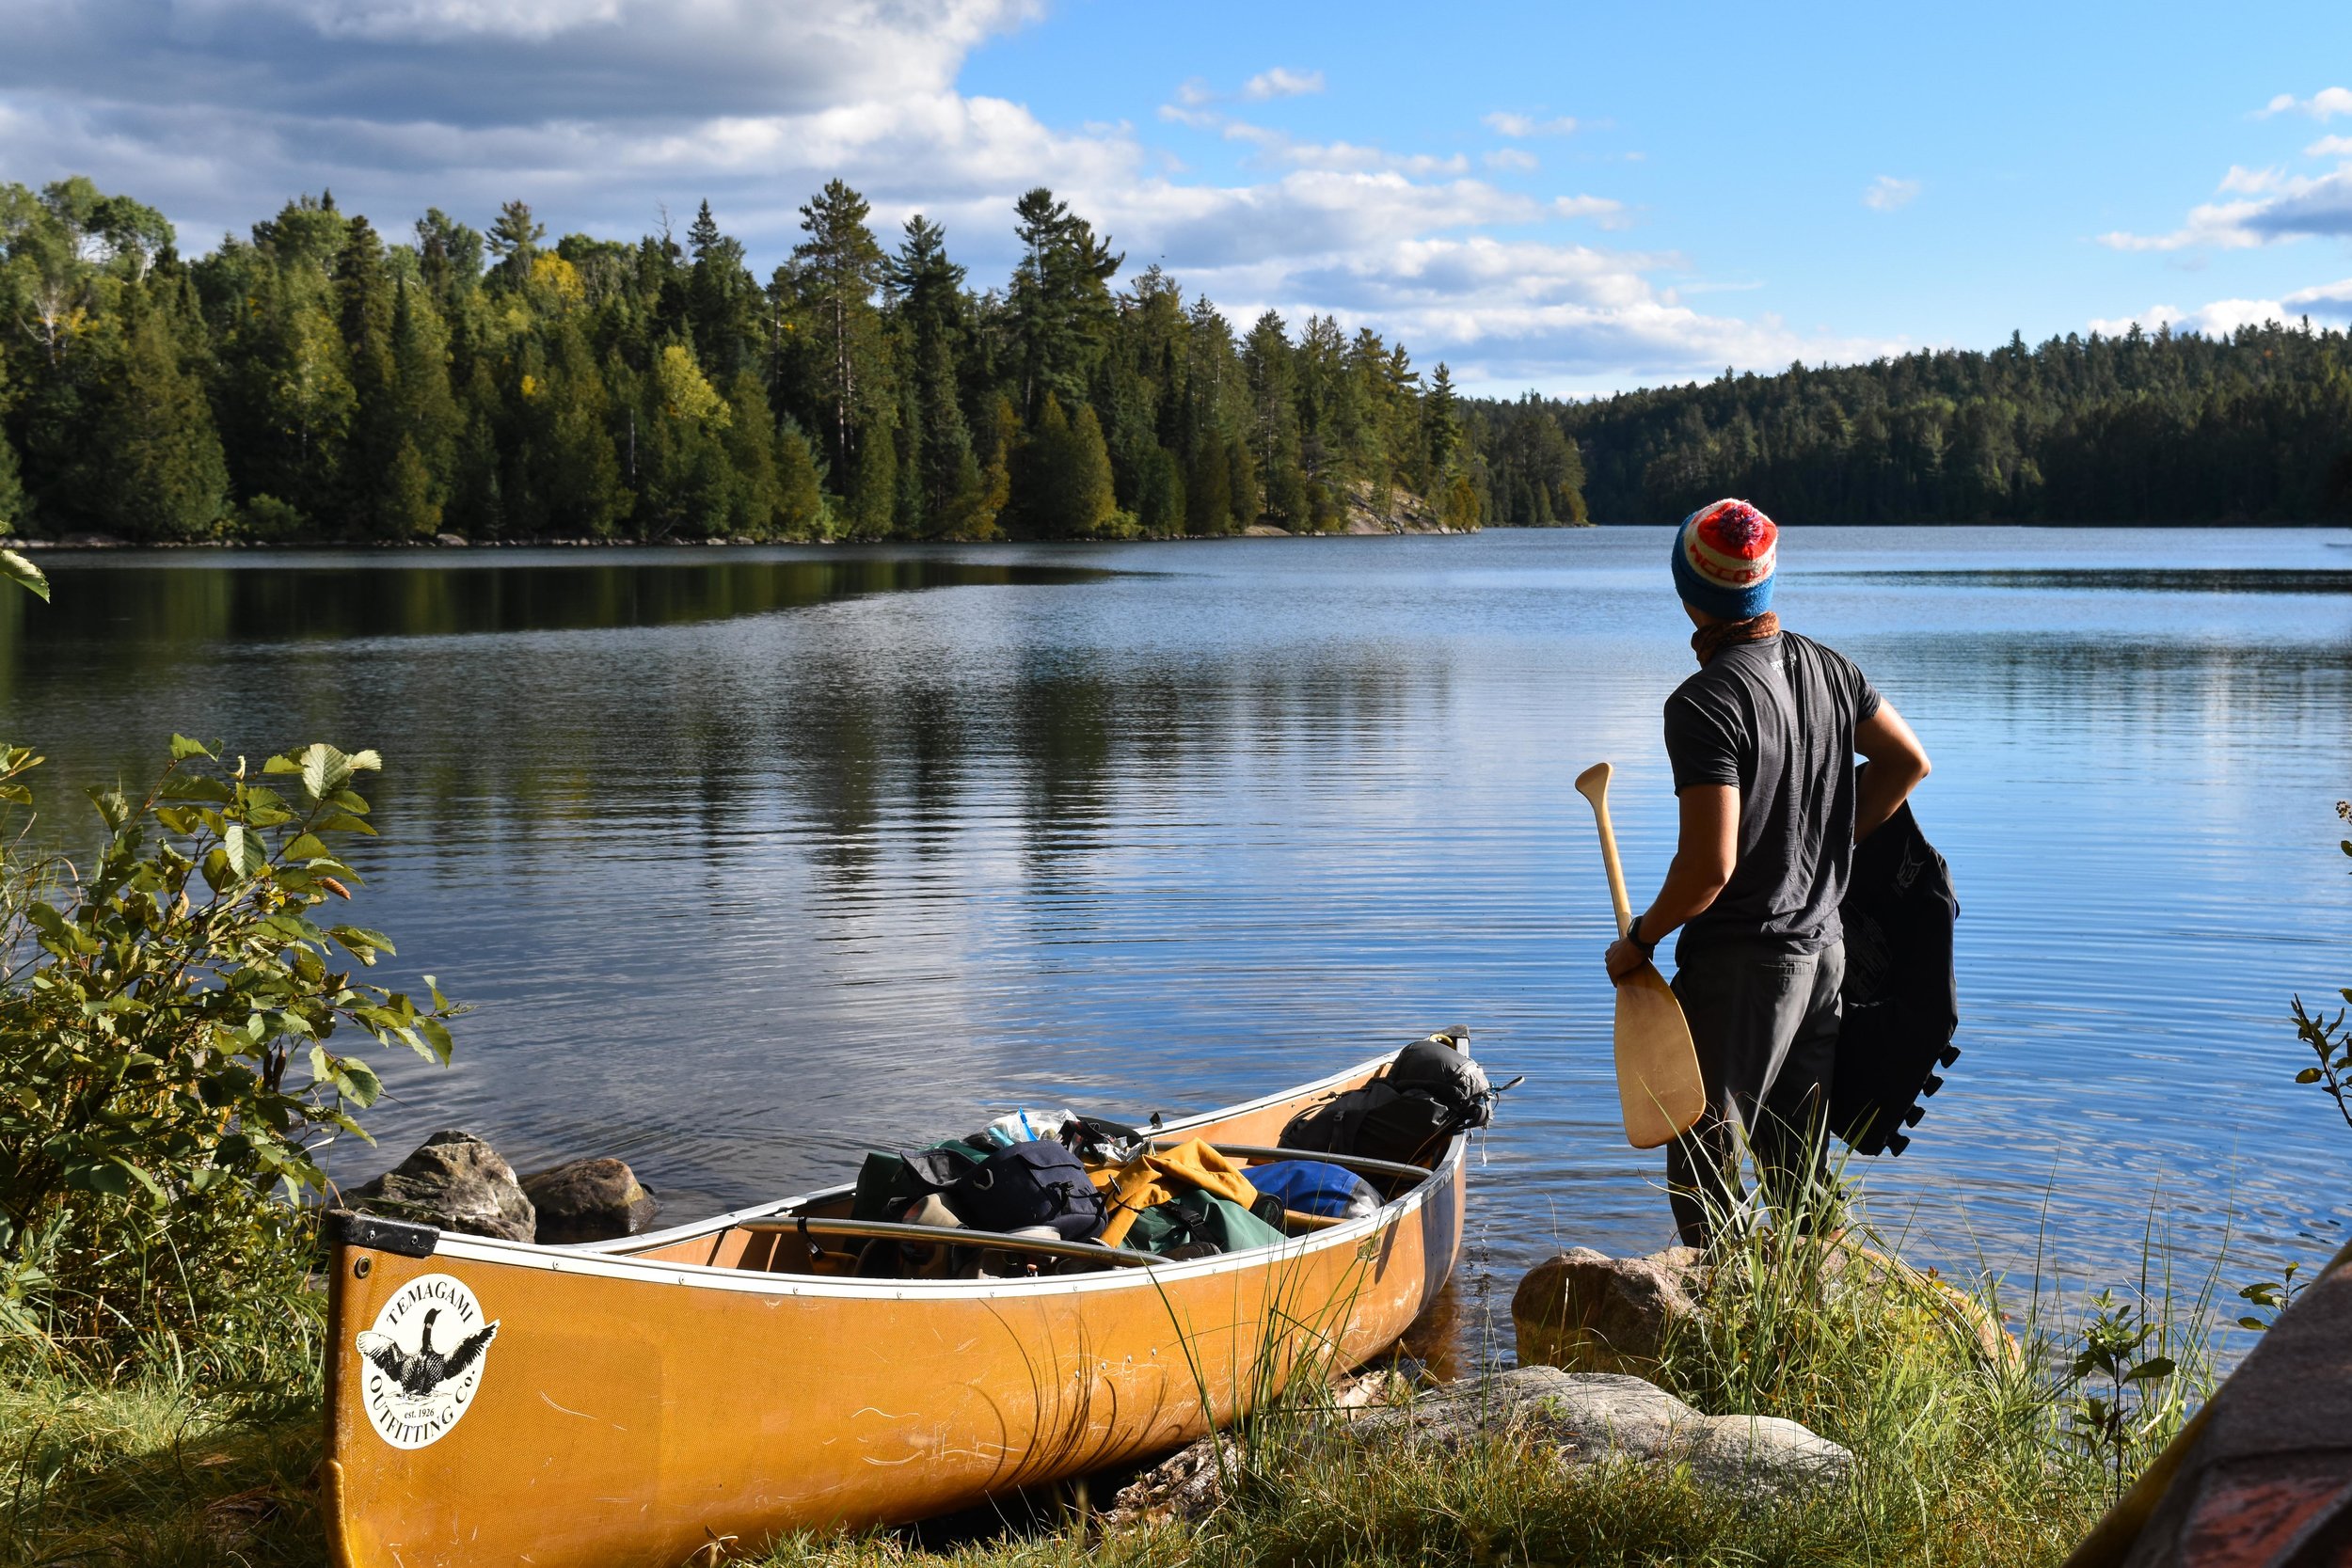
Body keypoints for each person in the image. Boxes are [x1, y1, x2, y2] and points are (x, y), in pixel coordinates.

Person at [1603, 499, 1931, 1246]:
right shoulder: (1831, 669)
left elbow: (1709, 868)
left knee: (1701, 1156)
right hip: (1824, 955)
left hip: (1744, 970)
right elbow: (1908, 761)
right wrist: (1823, 837)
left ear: (1690, 594)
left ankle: (1727, 1331)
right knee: (1796, 1168)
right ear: (1763, 583)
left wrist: (1642, 938)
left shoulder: (1704, 703)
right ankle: (1813, 1318)